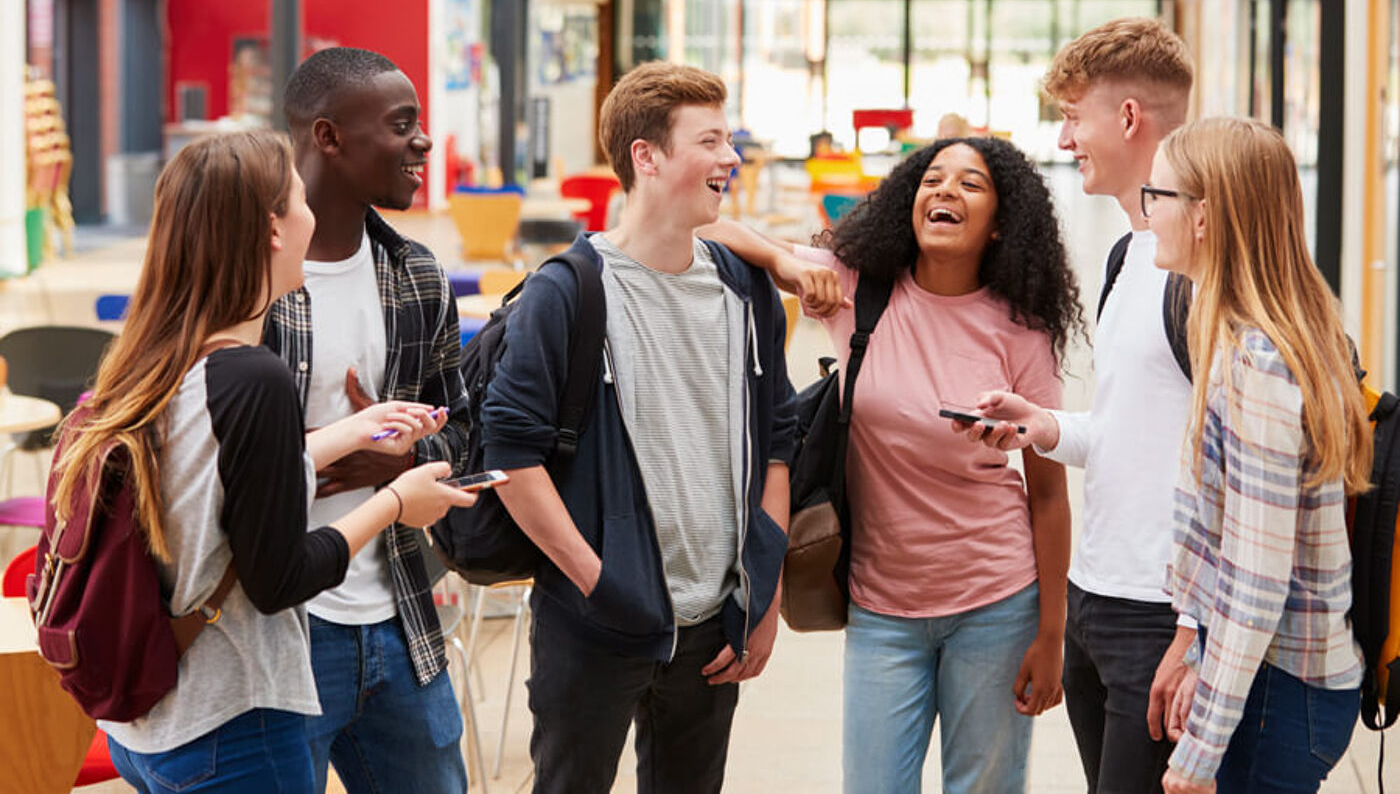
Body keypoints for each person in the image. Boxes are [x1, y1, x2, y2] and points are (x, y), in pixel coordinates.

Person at [51, 130, 474, 792]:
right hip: (234, 723)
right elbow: (280, 576)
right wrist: (396, 503)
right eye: (300, 200)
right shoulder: (255, 378)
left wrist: (350, 432)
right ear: (272, 230)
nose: (313, 216)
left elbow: (215, 488)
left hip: (151, 726)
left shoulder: (158, 361)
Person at [708, 134, 1081, 793]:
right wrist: (784, 262)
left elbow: (1047, 494)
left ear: (1000, 225)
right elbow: (710, 227)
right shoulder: (859, 290)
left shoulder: (1022, 330)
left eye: (970, 184)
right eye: (933, 179)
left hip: (997, 602)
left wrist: (1052, 633)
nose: (945, 191)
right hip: (883, 609)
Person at [479, 61, 796, 794]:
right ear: (645, 157)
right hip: (594, 626)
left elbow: (778, 443)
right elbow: (511, 452)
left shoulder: (746, 290)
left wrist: (763, 595)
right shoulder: (567, 291)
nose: (731, 158)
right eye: (710, 141)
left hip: (714, 626)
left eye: (729, 139)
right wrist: (600, 584)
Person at [969, 17, 1198, 793]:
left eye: (1074, 117)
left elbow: (1244, 457)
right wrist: (1046, 427)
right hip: (1098, 597)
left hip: (1164, 613)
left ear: (1128, 118)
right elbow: (1135, 428)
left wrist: (1200, 633)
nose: (1066, 140)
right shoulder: (1130, 252)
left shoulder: (1200, 270)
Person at [265, 47, 473, 793]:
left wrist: (406, 463)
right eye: (401, 125)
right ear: (327, 137)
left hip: (399, 616)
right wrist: (324, 450)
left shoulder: (416, 275)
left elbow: (465, 430)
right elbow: (203, 451)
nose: (423, 142)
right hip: (279, 630)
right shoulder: (249, 276)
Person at [1149, 118, 1369, 793]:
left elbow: (1257, 576)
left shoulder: (1259, 364)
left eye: (1156, 194)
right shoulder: (1251, 336)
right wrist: (1193, 641)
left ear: (1205, 217)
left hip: (1282, 695)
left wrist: (1199, 753)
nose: (1148, 211)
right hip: (1274, 681)